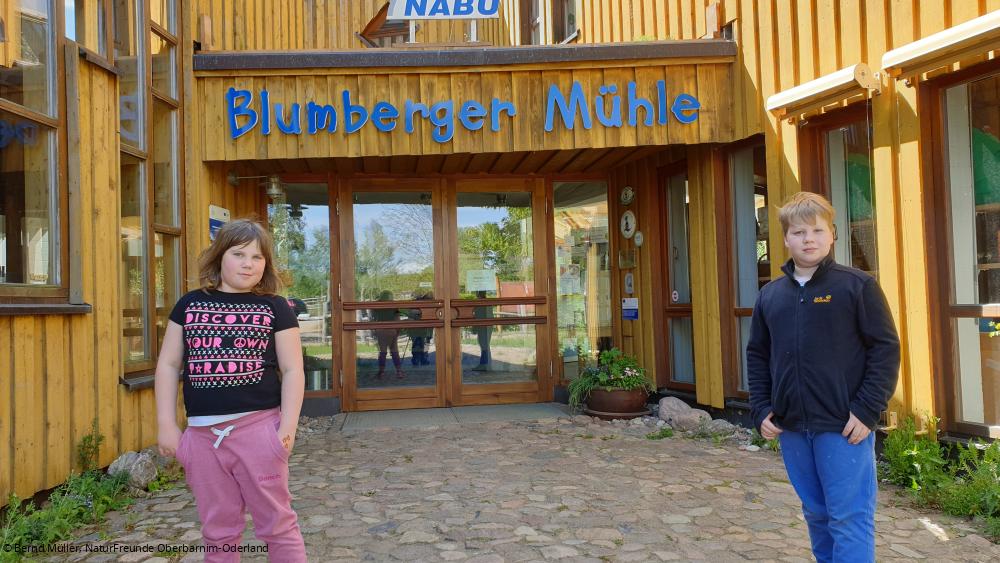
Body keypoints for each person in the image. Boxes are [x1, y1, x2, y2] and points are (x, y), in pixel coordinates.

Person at [747, 192, 899, 563]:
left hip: (843, 426)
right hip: (792, 427)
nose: (809, 239)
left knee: (849, 518)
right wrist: (761, 407)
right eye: (799, 232)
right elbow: (758, 355)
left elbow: (885, 349)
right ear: (786, 238)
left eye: (817, 230)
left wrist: (867, 410)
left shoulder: (856, 286)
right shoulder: (770, 296)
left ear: (832, 234)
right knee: (816, 513)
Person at [155, 219, 306, 562]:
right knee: (218, 530)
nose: (248, 263)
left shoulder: (275, 308)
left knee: (278, 526)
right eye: (239, 254)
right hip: (202, 440)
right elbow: (168, 365)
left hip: (259, 433)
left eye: (257, 257)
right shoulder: (189, 305)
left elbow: (293, 370)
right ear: (220, 256)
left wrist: (287, 429)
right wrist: (166, 423)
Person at [372, 290, 405, 379]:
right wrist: (398, 331)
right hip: (392, 330)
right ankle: (399, 371)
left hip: (380, 330)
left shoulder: (376, 306)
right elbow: (398, 319)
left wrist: (374, 330)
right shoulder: (394, 306)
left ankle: (381, 372)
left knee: (382, 352)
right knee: (394, 351)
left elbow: (373, 319)